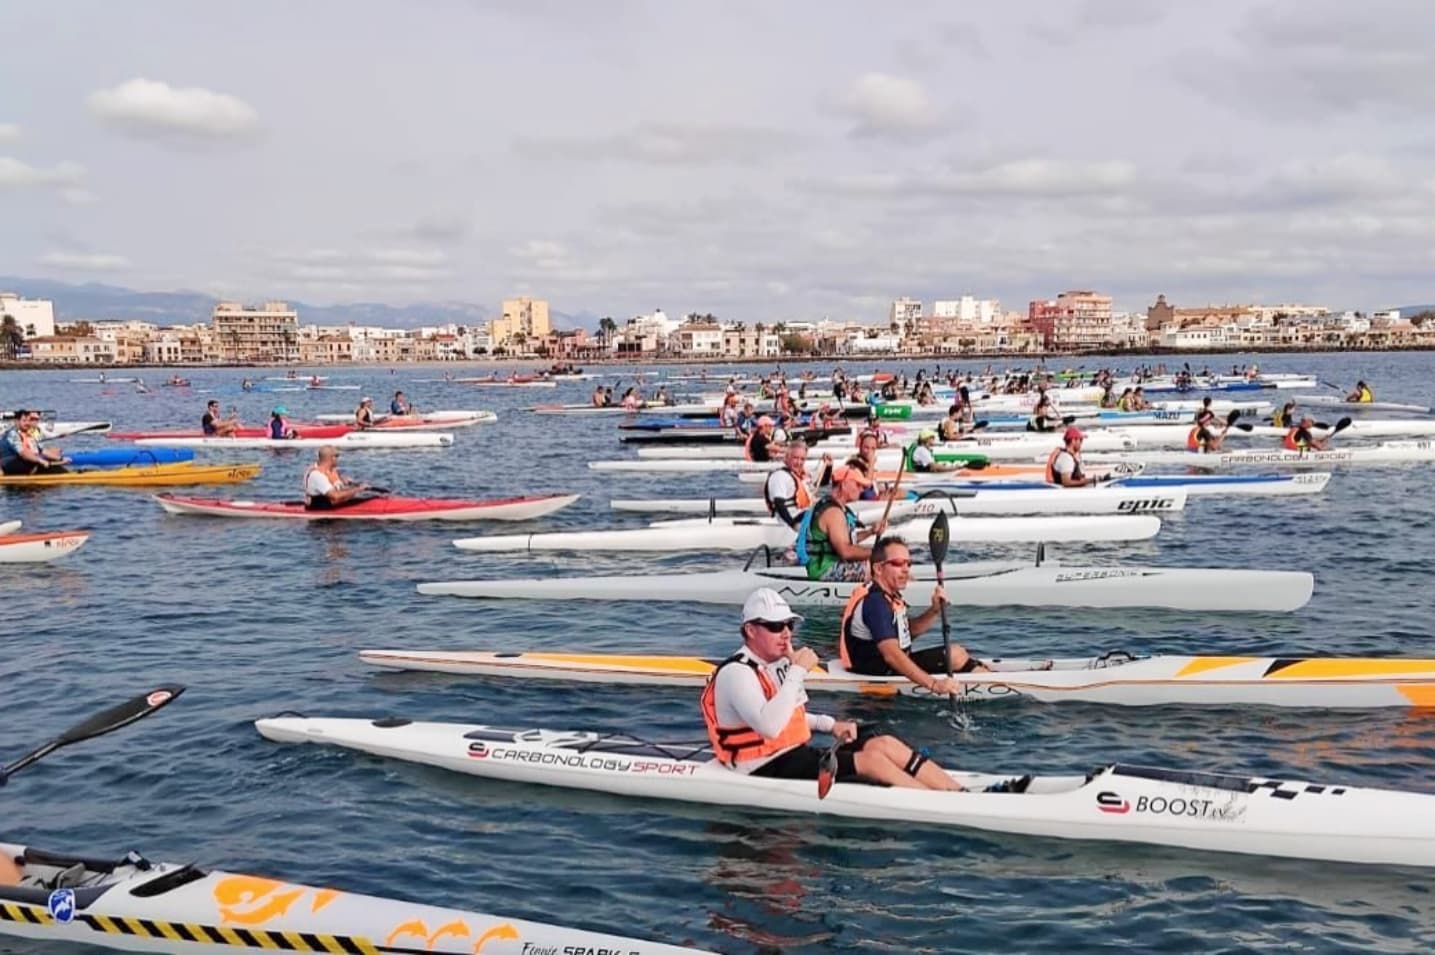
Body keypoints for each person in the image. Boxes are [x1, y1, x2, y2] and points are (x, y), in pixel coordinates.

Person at [699, 589, 965, 791]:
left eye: (789, 625)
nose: (786, 633)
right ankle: (936, 804)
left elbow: (790, 715)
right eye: (774, 626)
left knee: (883, 742)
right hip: (758, 766)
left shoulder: (777, 663)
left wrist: (830, 725)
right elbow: (769, 726)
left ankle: (958, 792)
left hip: (790, 752)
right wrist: (798, 671)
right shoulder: (737, 673)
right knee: (872, 760)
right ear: (750, 630)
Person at [839, 536, 984, 690]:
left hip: (887, 666)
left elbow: (906, 634)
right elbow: (892, 655)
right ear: (878, 569)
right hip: (877, 672)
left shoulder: (889, 596)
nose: (906, 569)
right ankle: (992, 682)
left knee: (957, 653)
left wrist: (934, 610)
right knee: (955, 655)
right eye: (897, 563)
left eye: (908, 563)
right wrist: (934, 684)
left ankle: (986, 675)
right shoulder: (875, 603)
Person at [799, 461, 886, 581]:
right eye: (858, 485)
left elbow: (846, 538)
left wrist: (870, 532)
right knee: (883, 568)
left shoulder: (837, 507)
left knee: (884, 566)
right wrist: (881, 554)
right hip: (824, 570)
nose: (861, 490)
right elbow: (845, 551)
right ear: (844, 484)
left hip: (826, 566)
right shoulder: (833, 513)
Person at [764, 442, 831, 530]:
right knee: (829, 516)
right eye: (795, 458)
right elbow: (779, 504)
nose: (799, 462)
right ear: (786, 457)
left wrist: (829, 466)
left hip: (803, 515)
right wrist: (793, 525)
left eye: (802, 459)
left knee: (830, 509)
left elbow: (823, 482)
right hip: (791, 520)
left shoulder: (800, 475)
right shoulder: (780, 476)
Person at [303, 445, 372, 510]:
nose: (338, 459)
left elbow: (337, 485)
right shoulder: (317, 475)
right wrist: (358, 489)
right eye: (337, 456)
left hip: (332, 504)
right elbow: (335, 496)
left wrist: (344, 482)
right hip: (321, 509)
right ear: (331, 458)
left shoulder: (330, 471)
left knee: (366, 497)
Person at [1, 410, 67, 475]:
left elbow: (41, 451)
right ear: (17, 421)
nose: (27, 423)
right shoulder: (12, 434)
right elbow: (23, 453)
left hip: (21, 462)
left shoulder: (27, 434)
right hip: (8, 464)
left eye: (29, 420)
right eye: (24, 421)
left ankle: (65, 475)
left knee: (48, 461)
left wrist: (60, 458)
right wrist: (40, 460)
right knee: (36, 463)